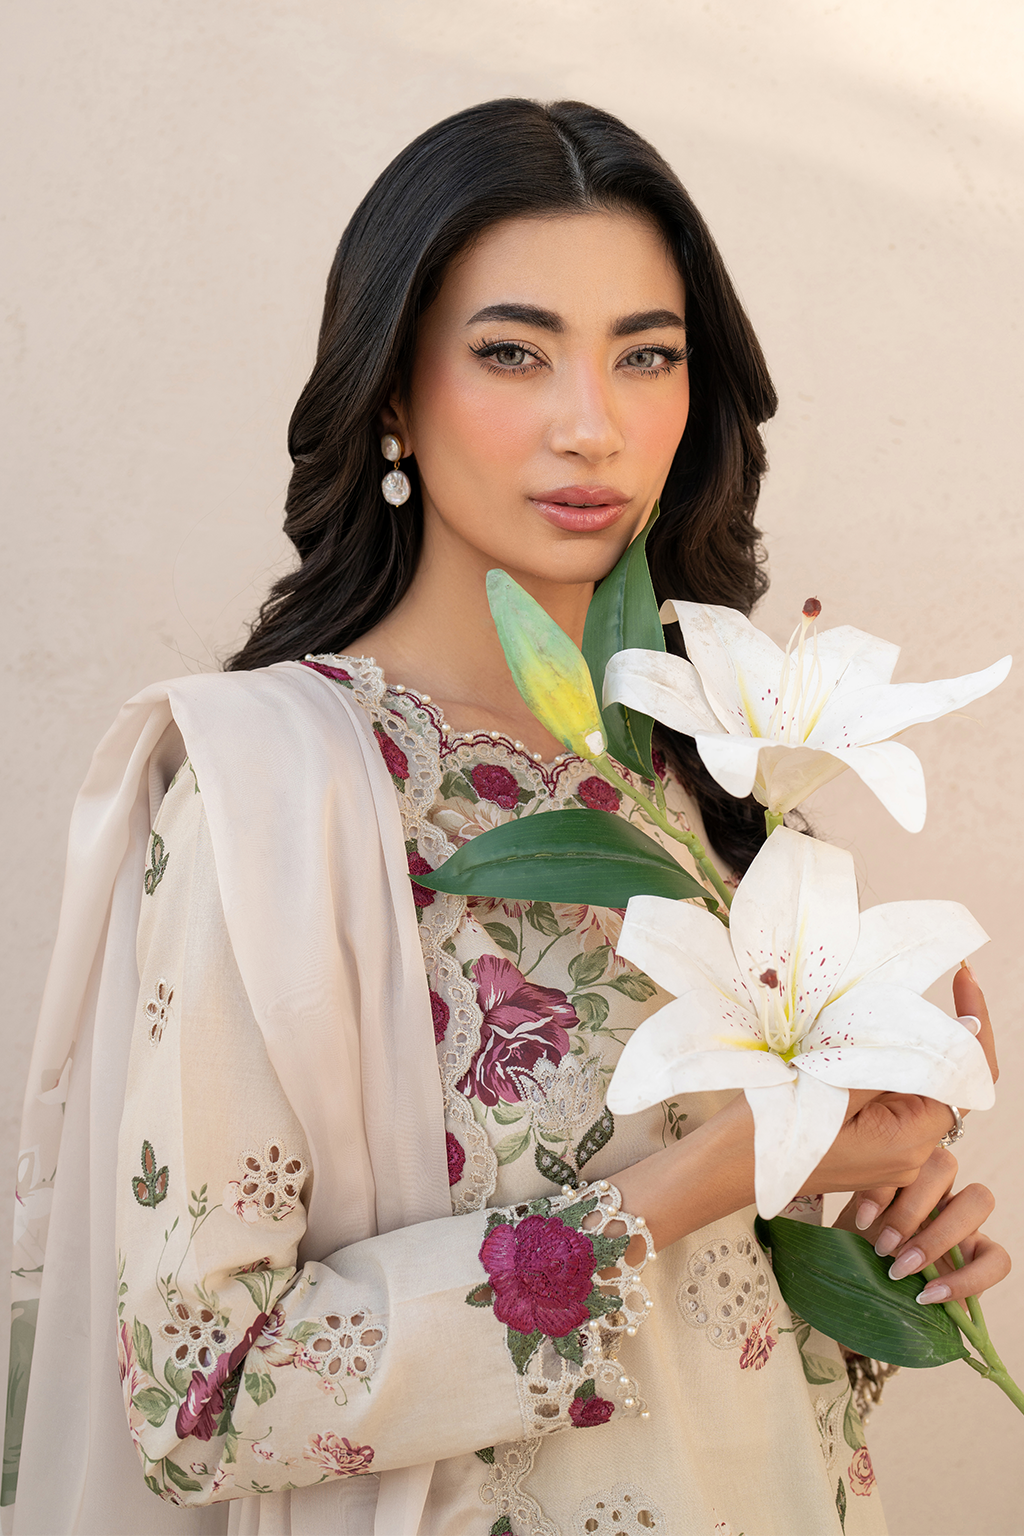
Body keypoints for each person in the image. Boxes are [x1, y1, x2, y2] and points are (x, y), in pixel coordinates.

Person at [5, 98, 1007, 1536]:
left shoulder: (722, 783)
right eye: (513, 352)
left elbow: (725, 1352)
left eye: (646, 355)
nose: (590, 424)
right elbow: (204, 1395)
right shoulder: (278, 793)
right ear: (392, 395)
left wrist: (871, 1253)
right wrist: (711, 1174)